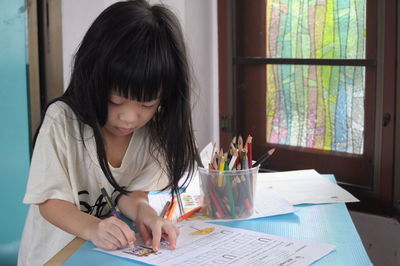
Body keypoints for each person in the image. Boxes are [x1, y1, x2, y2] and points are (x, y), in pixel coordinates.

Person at [18, 0, 197, 265]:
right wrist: (92, 227)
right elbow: (49, 201)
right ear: (93, 78)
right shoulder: (62, 121)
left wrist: (144, 214)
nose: (128, 117)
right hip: (54, 256)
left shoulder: (154, 131)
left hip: (102, 256)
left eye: (147, 105)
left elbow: (131, 193)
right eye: (115, 101)